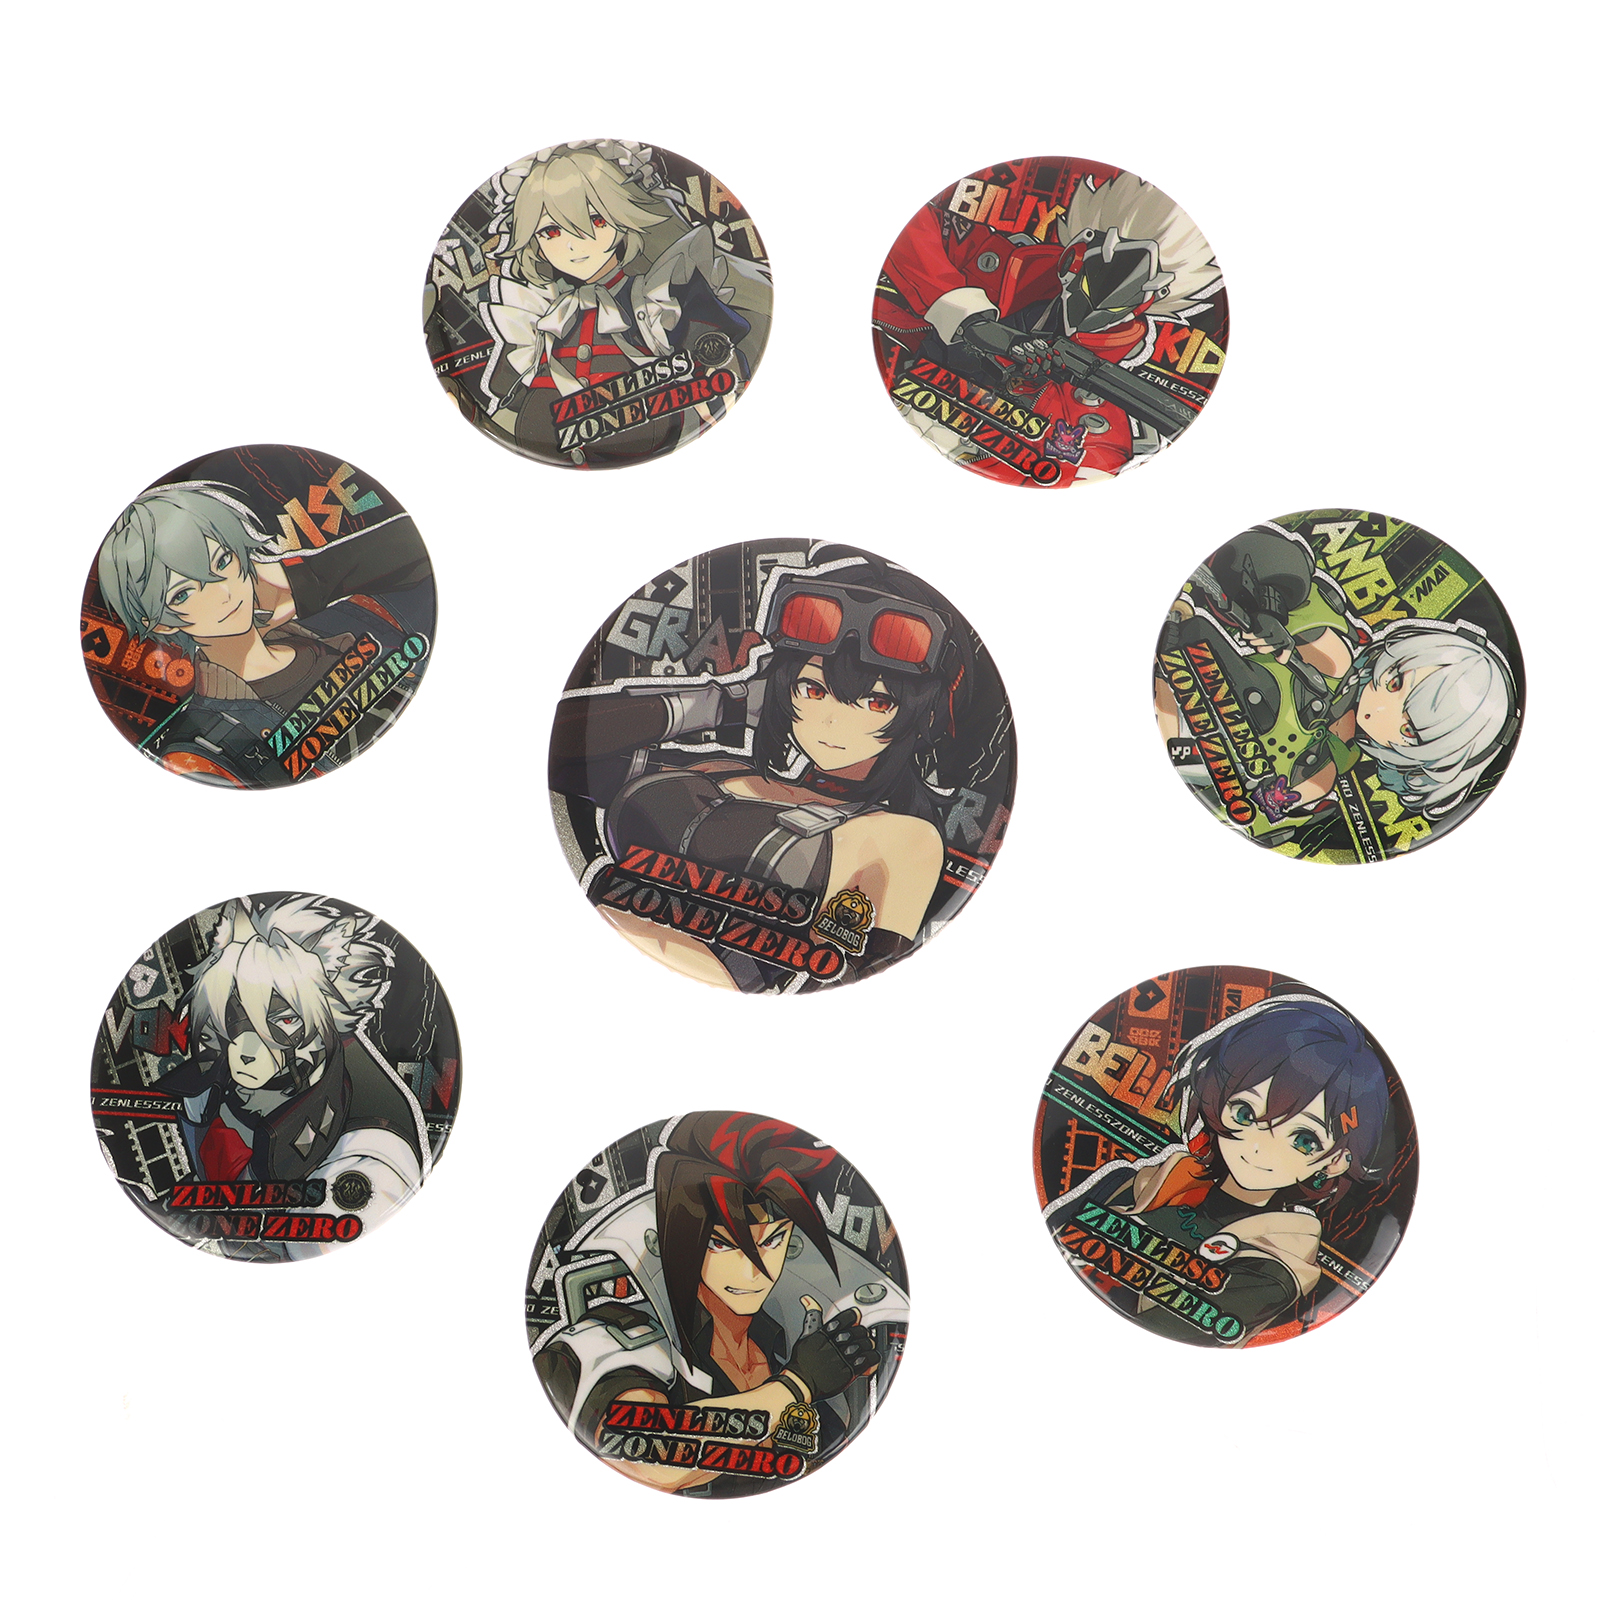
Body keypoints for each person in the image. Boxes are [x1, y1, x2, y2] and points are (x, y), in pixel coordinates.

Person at [549, 548, 973, 992]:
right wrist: (715, 703)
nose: (832, 720)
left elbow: (853, 978)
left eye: (876, 702)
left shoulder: (901, 839)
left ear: (924, 716)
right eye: (812, 689)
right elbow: (562, 751)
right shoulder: (719, 770)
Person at [531, 1112, 906, 1497]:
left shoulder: (782, 1345)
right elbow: (645, 1458)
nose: (753, 1272)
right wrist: (797, 1385)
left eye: (773, 1240)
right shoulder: (621, 1333)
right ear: (679, 1239)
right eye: (722, 1244)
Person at [1052, 994, 1394, 1345]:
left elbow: (1169, 1333)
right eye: (1245, 1113)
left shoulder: (1276, 1266)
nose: (1260, 1147)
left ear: (1335, 1161)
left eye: (1304, 1139)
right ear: (1216, 1098)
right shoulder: (1132, 1182)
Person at [1155, 522, 1517, 829]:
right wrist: (1270, 612)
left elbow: (1317, 781)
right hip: (1226, 671)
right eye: (1395, 683)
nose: (1381, 711)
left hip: (1234, 745)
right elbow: (1274, 566)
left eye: (1409, 730)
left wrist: (1281, 799)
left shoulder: (1338, 755)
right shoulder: (1339, 658)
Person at [876, 164, 1222, 484]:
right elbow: (916, 230)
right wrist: (967, 316)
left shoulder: (1105, 401)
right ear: (1076, 256)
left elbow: (1065, 470)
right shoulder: (1005, 266)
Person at [94, 481, 432, 787]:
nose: (223, 593)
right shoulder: (203, 746)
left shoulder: (337, 616)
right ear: (161, 623)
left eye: (222, 562)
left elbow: (419, 556)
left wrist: (307, 580)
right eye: (183, 594)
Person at [157, 894, 429, 1258]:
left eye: (283, 1019)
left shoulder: (369, 1150)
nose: (245, 1048)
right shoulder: (213, 1080)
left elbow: (319, 1246)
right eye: (235, 1017)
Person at [477, 141, 772, 466]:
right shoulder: (549, 321)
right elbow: (502, 407)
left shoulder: (664, 297)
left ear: (622, 219)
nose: (573, 245)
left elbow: (723, 377)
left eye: (596, 220)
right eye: (550, 232)